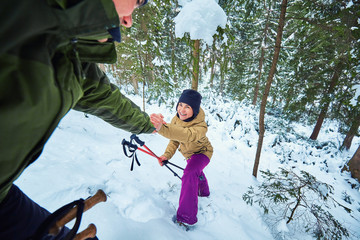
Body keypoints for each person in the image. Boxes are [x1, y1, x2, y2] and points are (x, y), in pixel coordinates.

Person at [0, 0, 154, 239]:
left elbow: (104, 97)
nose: (129, 20)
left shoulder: (67, 54)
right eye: (137, 1)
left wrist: (147, 124)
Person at [150, 89, 213, 228]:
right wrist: (166, 155)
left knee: (190, 173)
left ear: (195, 110)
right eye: (180, 104)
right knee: (196, 171)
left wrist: (163, 128)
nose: (182, 110)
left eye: (187, 107)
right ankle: (204, 192)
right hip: (189, 154)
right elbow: (174, 140)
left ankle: (186, 217)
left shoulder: (201, 126)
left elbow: (186, 135)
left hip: (203, 153)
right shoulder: (176, 120)